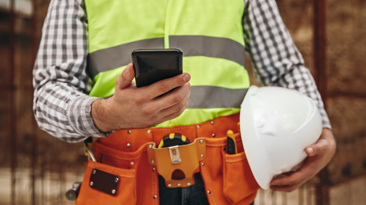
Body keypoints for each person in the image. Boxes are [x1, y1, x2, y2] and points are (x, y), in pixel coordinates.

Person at [33, 0, 336, 204]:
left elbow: (283, 67)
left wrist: (319, 129)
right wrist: (107, 115)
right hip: (123, 178)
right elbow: (48, 94)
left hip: (224, 178)